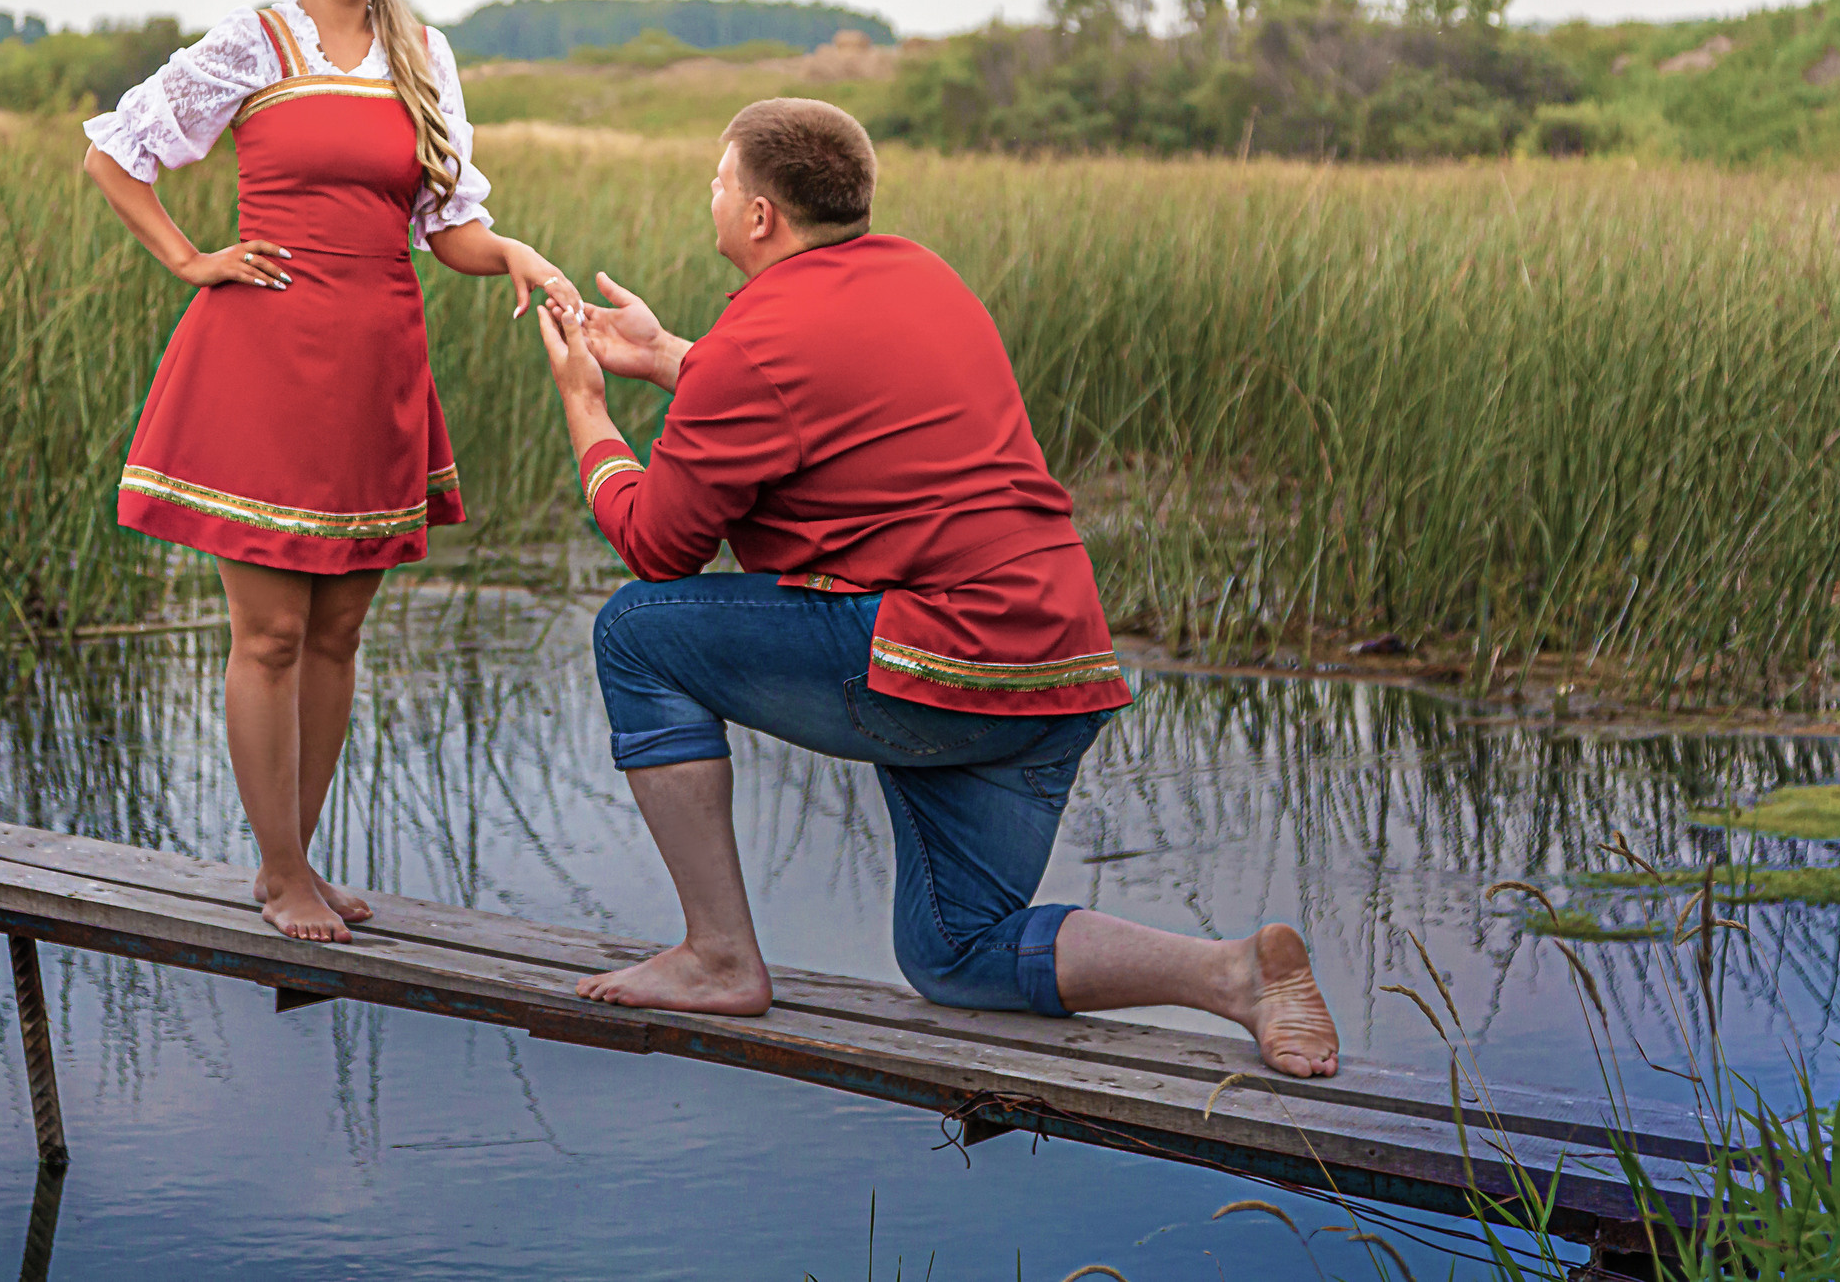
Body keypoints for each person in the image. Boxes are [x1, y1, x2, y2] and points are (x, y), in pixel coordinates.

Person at [532, 98, 1340, 1077]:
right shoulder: (921, 277)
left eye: (717, 179)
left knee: (635, 632)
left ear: (757, 217)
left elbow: (658, 545)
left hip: (934, 662)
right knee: (952, 953)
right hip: (1057, 667)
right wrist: (668, 358)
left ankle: (714, 955)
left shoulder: (756, 344)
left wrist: (587, 407)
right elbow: (814, 394)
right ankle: (1232, 975)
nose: (710, 194)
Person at [84, 0, 580, 944]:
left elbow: (447, 229)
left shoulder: (423, 54)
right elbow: (117, 155)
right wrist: (191, 258)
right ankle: (281, 871)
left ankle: (290, 864)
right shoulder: (253, 45)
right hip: (263, 361)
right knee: (265, 634)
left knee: (339, 632)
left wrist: (517, 257)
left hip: (374, 364)